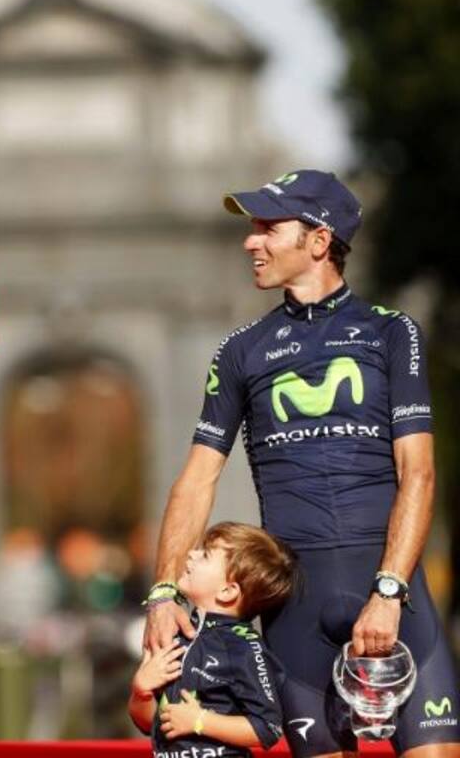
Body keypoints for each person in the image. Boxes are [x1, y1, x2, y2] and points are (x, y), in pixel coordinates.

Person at [142, 170, 460, 757]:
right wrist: (164, 593)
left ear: (319, 241)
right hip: (297, 606)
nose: (250, 241)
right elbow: (197, 479)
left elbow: (419, 472)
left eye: (268, 226)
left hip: (393, 589)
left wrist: (388, 593)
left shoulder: (392, 334)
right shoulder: (241, 350)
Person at [130, 522, 294, 757]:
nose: (191, 554)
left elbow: (268, 729)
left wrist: (200, 721)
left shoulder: (245, 648)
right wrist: (141, 692)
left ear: (228, 591)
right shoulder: (173, 636)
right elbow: (148, 724)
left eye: (205, 555)